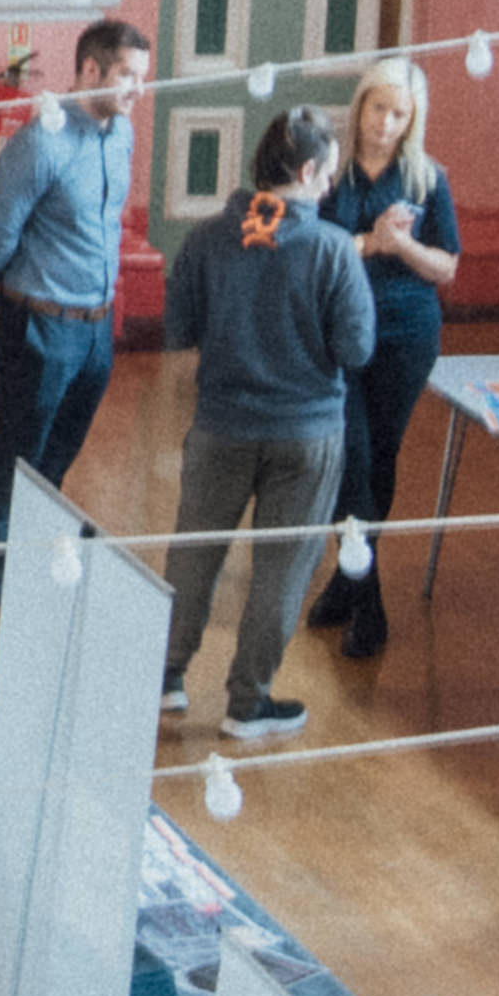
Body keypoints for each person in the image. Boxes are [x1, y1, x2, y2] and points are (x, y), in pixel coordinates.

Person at [151, 106, 366, 743]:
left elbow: (178, 330)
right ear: (305, 171)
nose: (329, 188)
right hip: (307, 435)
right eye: (327, 175)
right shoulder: (331, 249)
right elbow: (356, 349)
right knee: (282, 568)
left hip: (220, 426)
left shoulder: (207, 237)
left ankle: (164, 677)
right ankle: (248, 703)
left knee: (193, 553)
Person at [0, 17, 147, 636]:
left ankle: (33, 567)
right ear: (90, 70)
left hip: (96, 329)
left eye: (142, 79)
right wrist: (22, 298)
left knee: (55, 461)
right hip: (38, 324)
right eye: (127, 76)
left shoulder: (121, 135)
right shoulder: (39, 142)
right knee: (12, 457)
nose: (135, 92)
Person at [298, 55, 457, 666]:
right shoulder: (327, 171)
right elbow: (309, 248)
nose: (386, 124)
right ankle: (371, 605)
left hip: (406, 335)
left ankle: (346, 578)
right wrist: (372, 242)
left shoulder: (426, 178)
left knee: (379, 460)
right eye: (378, 109)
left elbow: (447, 266)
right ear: (359, 105)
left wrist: (405, 246)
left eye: (399, 114)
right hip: (337, 335)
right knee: (351, 460)